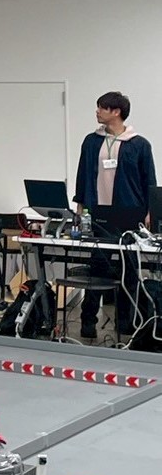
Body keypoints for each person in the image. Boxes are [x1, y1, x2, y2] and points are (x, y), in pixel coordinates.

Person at [74, 91, 156, 340]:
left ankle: (125, 323)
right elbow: (82, 174)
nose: (97, 112)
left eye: (102, 108)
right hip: (99, 214)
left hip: (129, 215)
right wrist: (80, 206)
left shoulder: (139, 144)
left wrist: (150, 212)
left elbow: (149, 181)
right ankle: (88, 321)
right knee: (97, 267)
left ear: (116, 112)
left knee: (129, 271)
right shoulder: (91, 141)